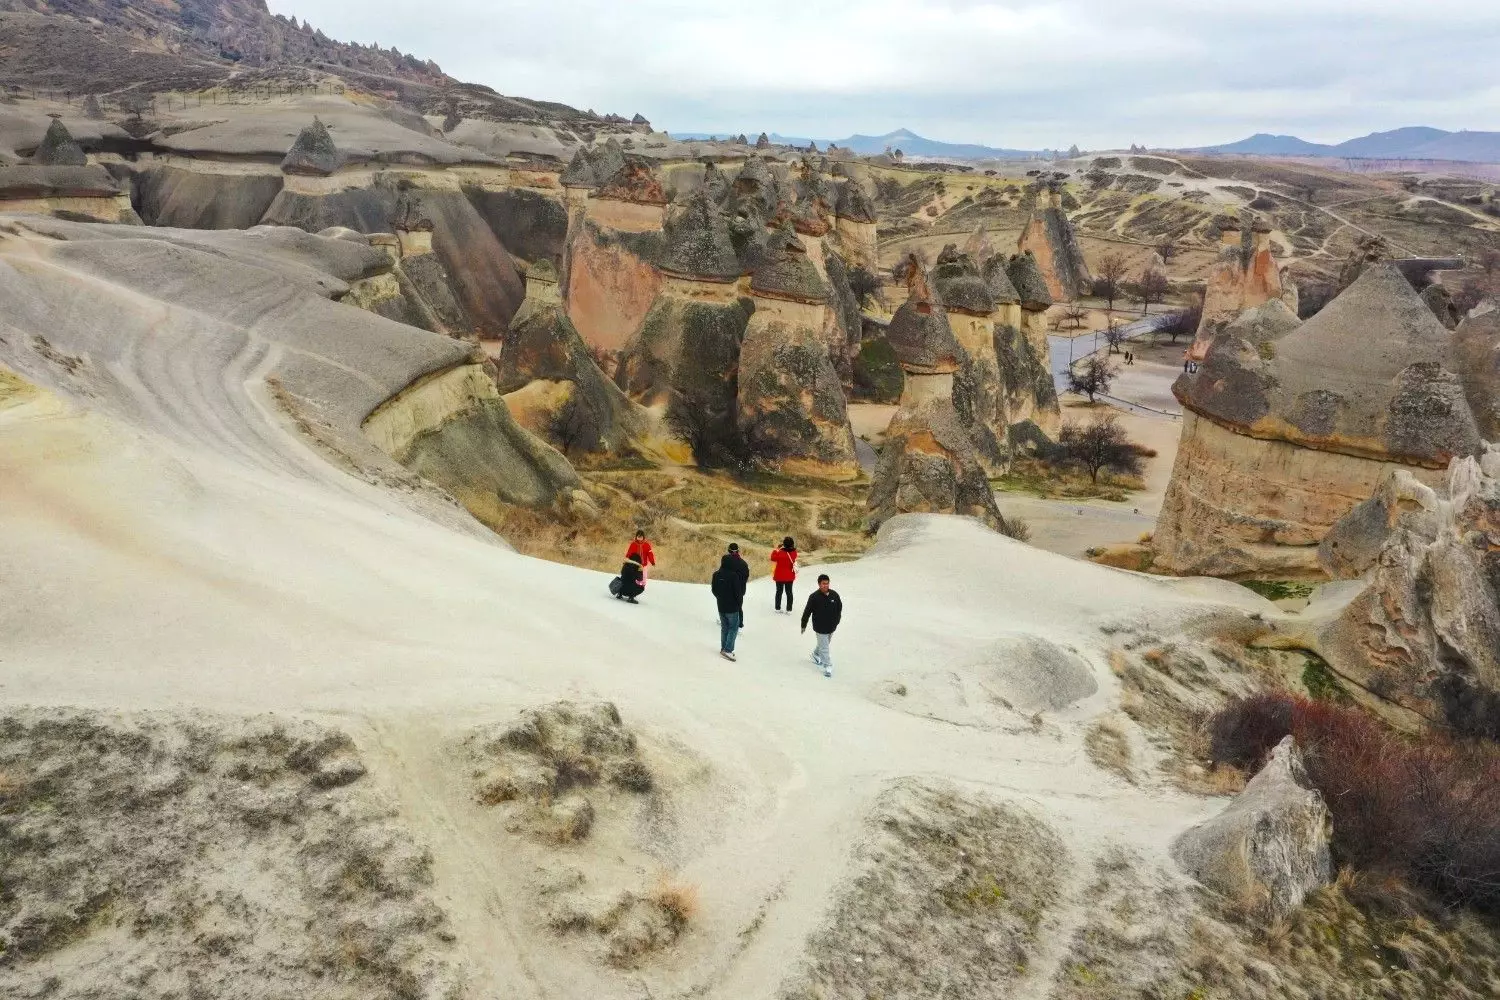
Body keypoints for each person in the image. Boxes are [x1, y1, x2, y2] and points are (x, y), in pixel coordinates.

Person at [800, 574, 842, 678]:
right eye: (823, 584)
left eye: (827, 583)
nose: (825, 585)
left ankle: (815, 654)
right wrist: (803, 624)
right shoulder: (814, 597)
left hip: (831, 626)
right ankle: (828, 666)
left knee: (824, 643)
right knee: (825, 647)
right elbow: (807, 612)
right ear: (819, 584)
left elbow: (839, 609)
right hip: (820, 627)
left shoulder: (834, 595)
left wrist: (837, 621)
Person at [710, 553, 744, 661]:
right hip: (732, 606)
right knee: (733, 628)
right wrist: (739, 604)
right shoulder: (734, 576)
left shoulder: (716, 574)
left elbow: (714, 590)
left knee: (724, 627)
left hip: (721, 605)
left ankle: (723, 647)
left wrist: (720, 598)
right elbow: (738, 593)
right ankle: (728, 650)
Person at [724, 542, 749, 629]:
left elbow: (723, 575)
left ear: (729, 551)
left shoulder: (726, 562)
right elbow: (746, 577)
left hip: (728, 589)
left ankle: (727, 623)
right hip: (740, 589)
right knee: (738, 606)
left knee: (726, 605)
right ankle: (740, 623)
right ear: (738, 551)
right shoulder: (744, 563)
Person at [770, 536, 798, 614]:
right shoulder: (794, 553)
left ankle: (777, 608)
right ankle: (789, 610)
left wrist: (776, 549)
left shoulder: (780, 553)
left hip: (779, 576)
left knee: (779, 592)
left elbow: (772, 558)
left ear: (784, 544)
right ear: (792, 544)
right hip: (789, 576)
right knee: (789, 592)